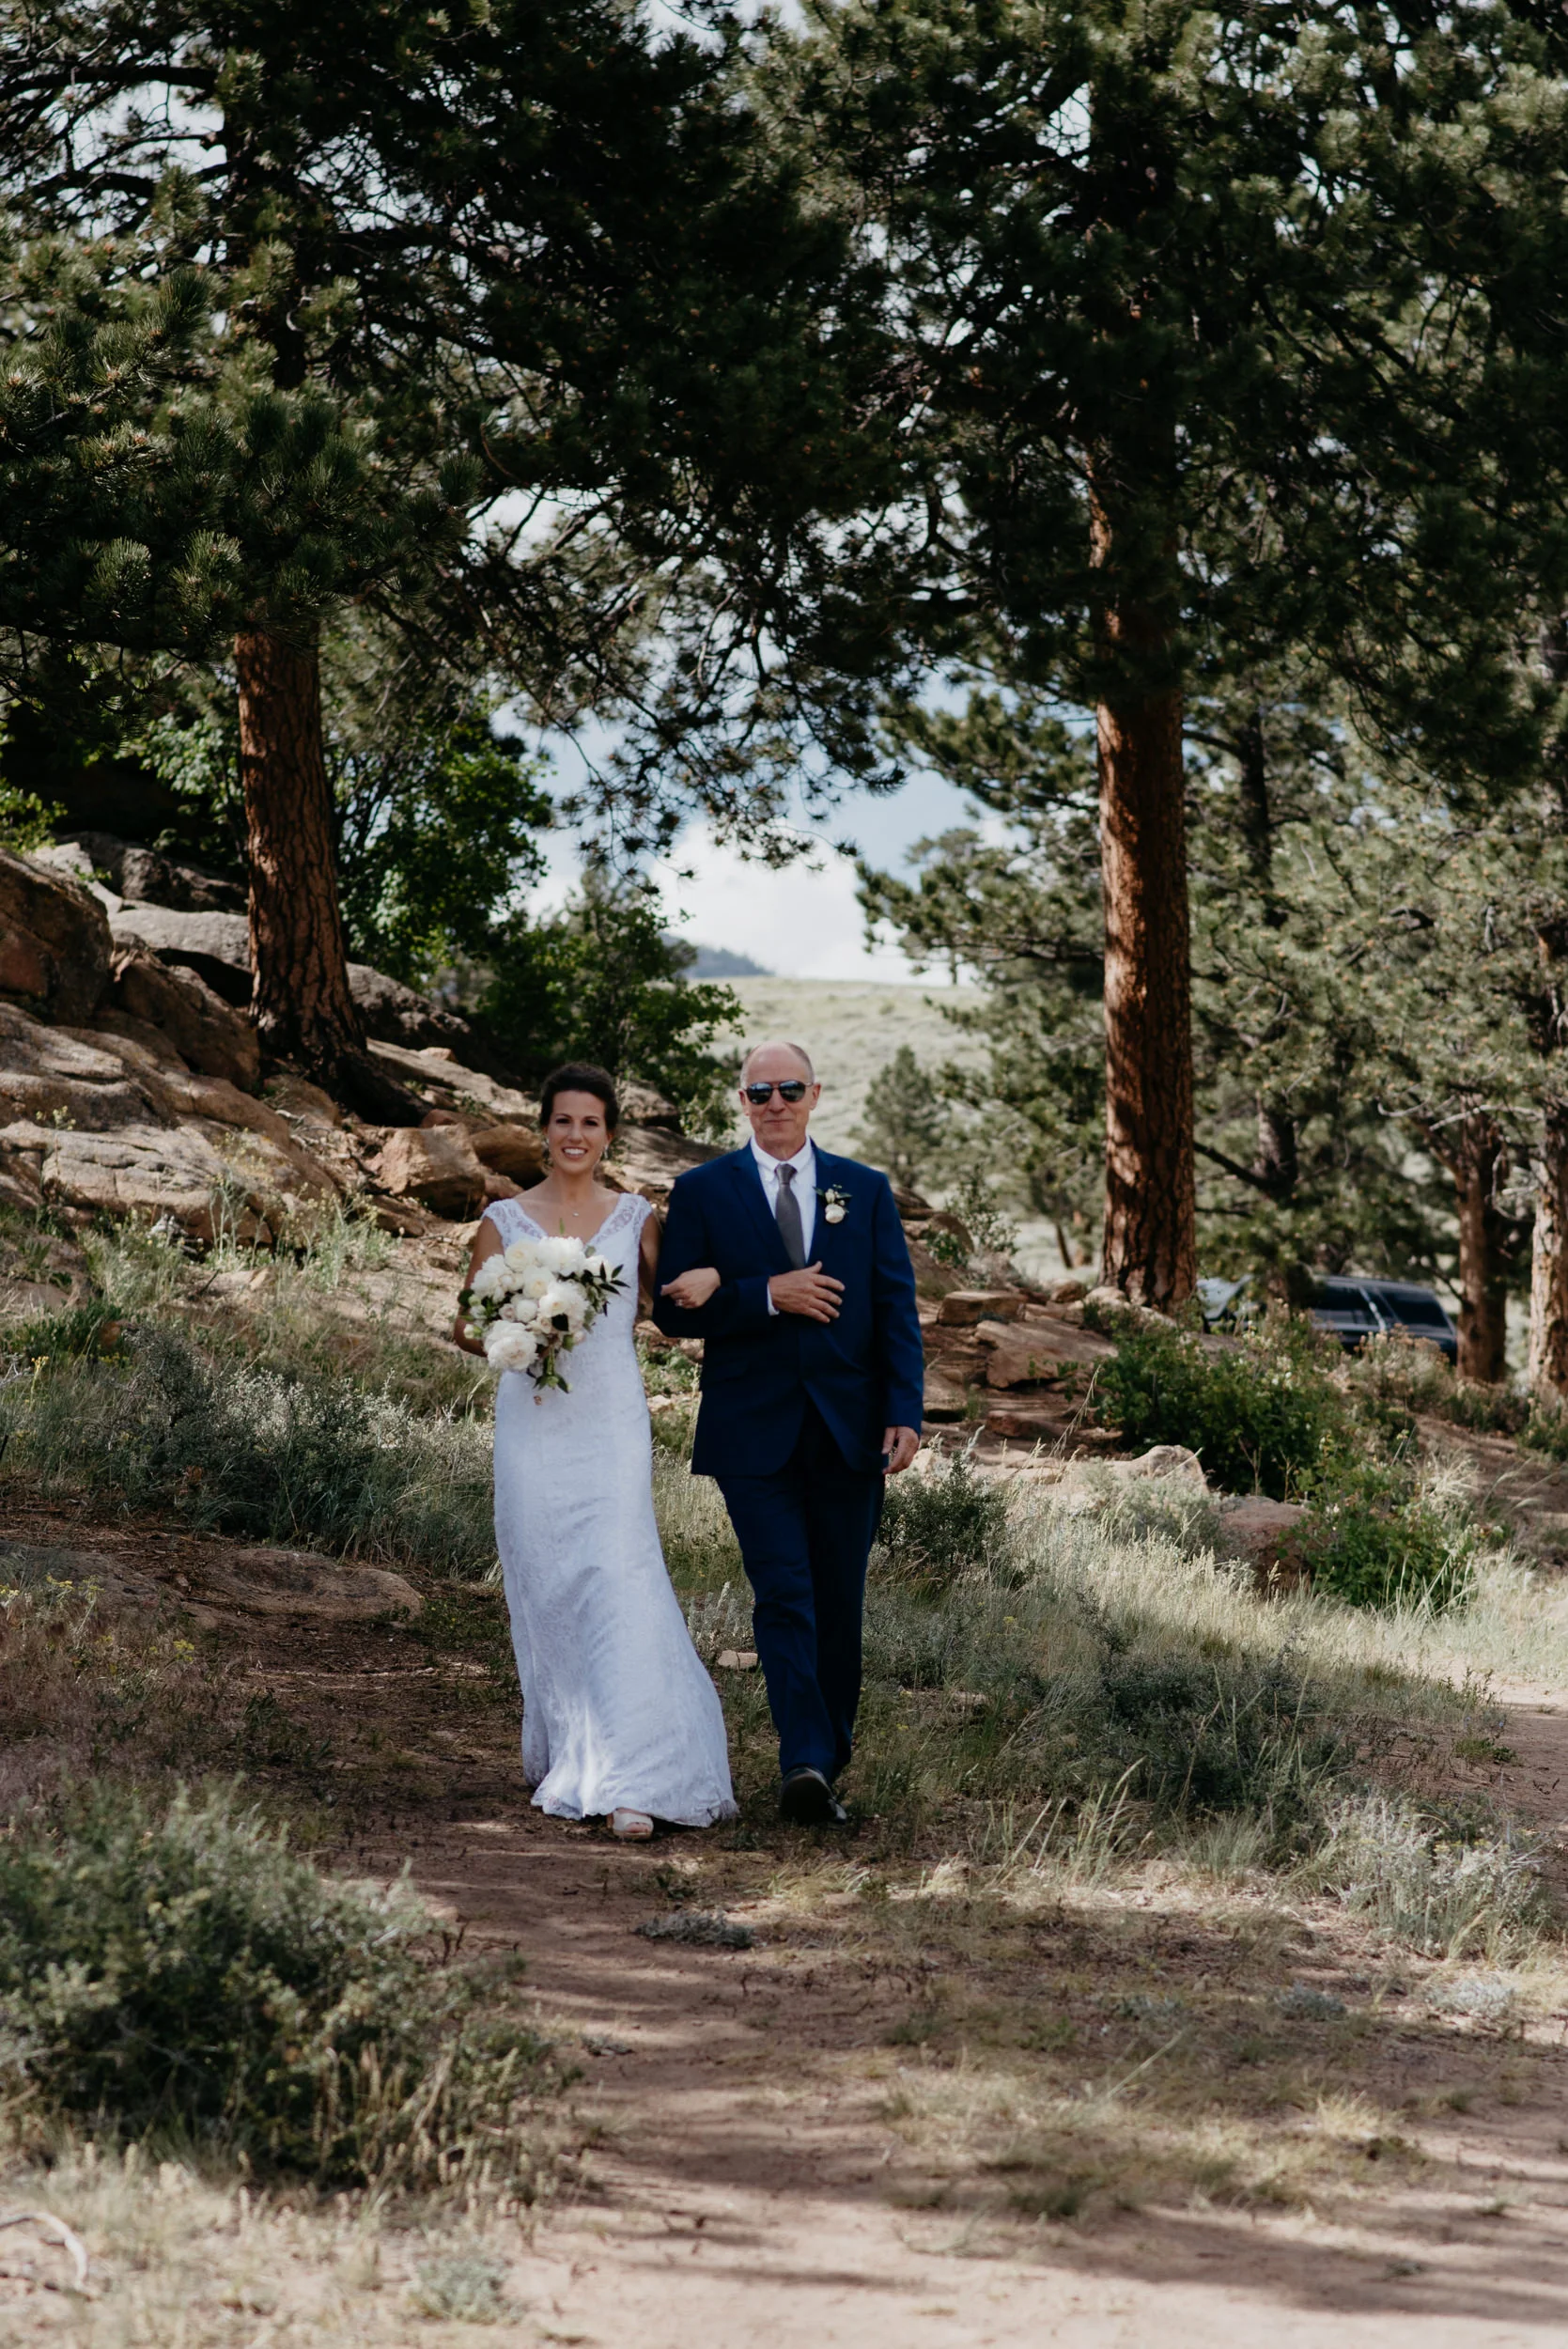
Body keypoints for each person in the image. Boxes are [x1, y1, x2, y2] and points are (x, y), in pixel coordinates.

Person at [455, 1062, 736, 1842]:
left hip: (609, 1425)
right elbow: (464, 1325)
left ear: (609, 1134)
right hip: (531, 1429)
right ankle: (573, 1748)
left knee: (617, 1574)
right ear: (542, 1129)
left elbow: (681, 1303)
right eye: (562, 1121)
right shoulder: (504, 1221)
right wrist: (519, 1318)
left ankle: (635, 1773)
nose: (575, 1136)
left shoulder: (636, 1218)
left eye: (590, 1123)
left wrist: (724, 1276)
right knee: (546, 1582)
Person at [653, 1040, 924, 1826]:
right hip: (751, 1430)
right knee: (784, 1594)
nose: (775, 1103)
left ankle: (826, 1756)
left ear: (815, 1093)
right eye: (759, 1092)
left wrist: (903, 1411)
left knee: (839, 1600)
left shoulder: (863, 1190)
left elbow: (894, 1311)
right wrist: (764, 1294)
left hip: (850, 1427)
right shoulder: (702, 1191)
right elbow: (673, 1312)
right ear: (740, 1101)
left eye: (789, 1089)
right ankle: (802, 1758)